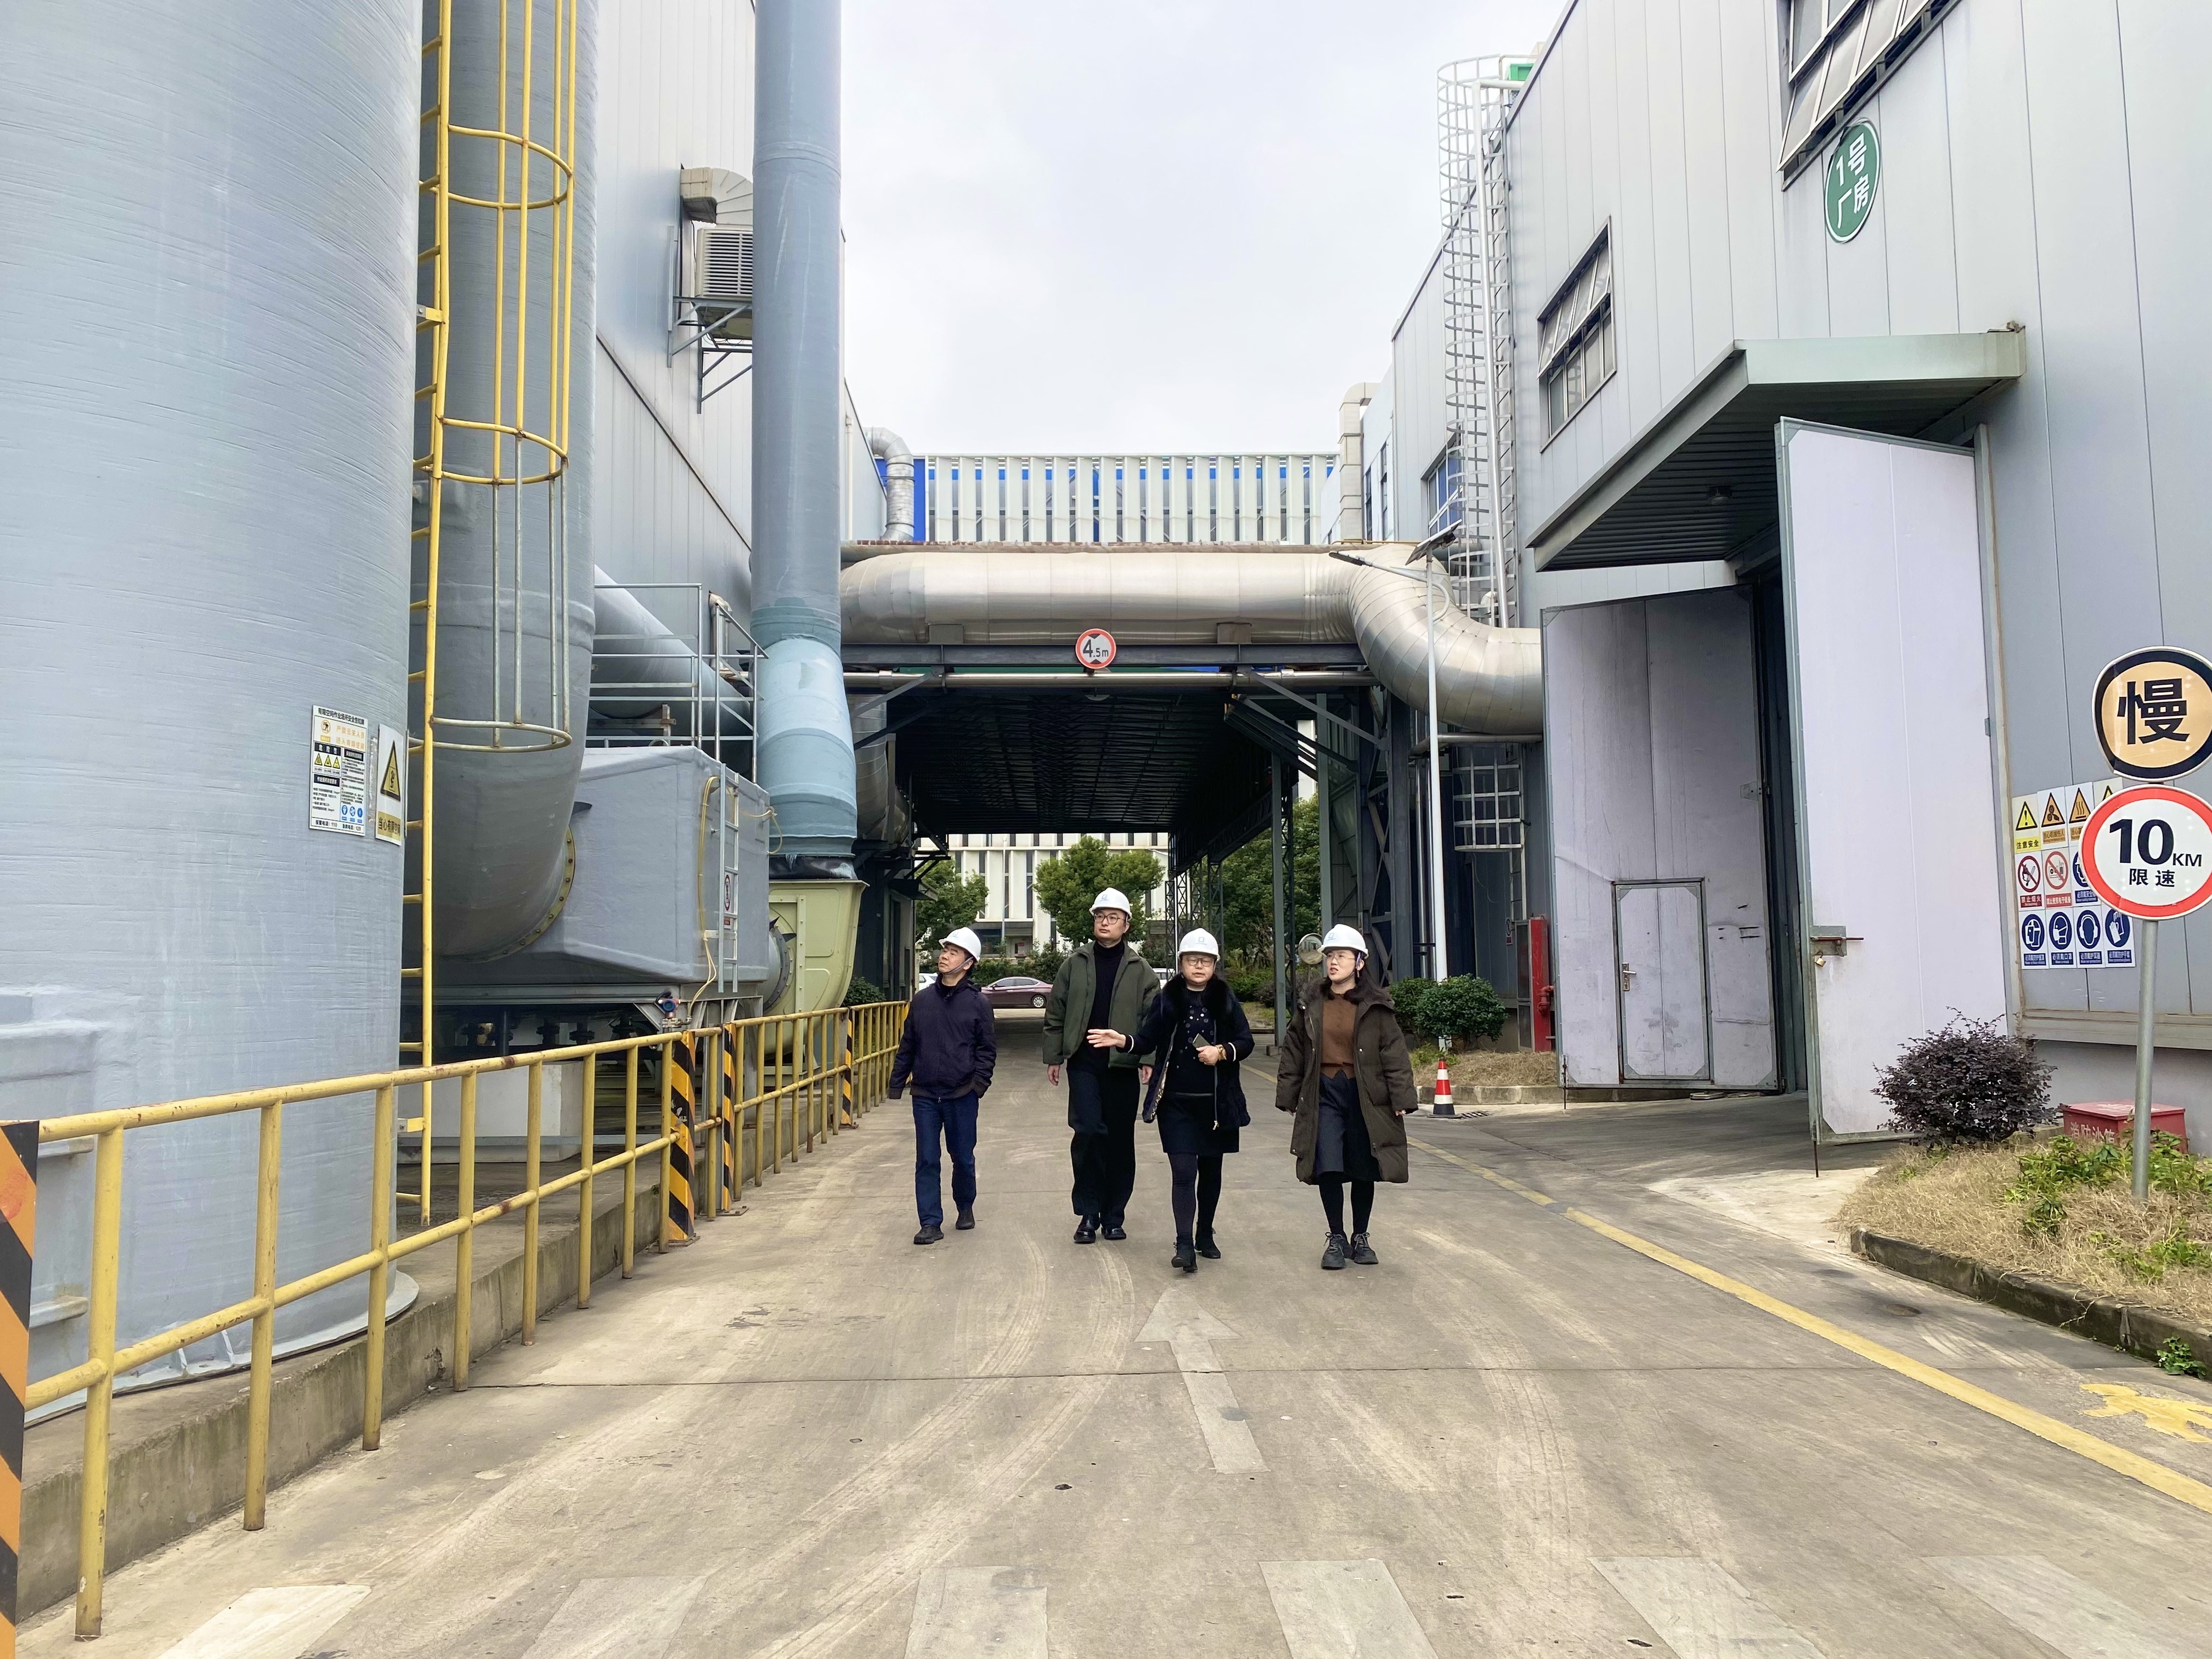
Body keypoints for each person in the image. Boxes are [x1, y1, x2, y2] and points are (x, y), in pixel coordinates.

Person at [1274, 923, 1415, 1269]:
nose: (1333, 962)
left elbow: (1394, 1054)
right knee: (1328, 1165)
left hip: (1365, 1094)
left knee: (1364, 1167)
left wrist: (1401, 1099)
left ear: (1360, 963)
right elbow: (1294, 1050)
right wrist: (1289, 1094)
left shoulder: (1376, 1006)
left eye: (1341, 956)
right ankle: (1336, 1237)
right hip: (1324, 1092)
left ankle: (1361, 1237)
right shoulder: (1311, 1004)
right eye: (1329, 956)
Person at [1120, 929, 1253, 1273]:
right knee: (1183, 1172)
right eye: (1193, 959)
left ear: (1214, 965)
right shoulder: (1166, 999)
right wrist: (1123, 1041)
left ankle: (1204, 1234)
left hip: (1216, 1104)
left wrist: (1222, 1052)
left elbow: (1246, 1041)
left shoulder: (1225, 997)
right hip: (1176, 1103)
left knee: (1211, 1172)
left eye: (1206, 960)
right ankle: (1183, 1244)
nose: (1199, 965)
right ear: (1181, 963)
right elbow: (1147, 1038)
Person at [1043, 887, 1158, 1244]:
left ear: (1126, 925)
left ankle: (1113, 1216)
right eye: (1100, 917)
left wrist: (1148, 1058)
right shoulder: (1075, 964)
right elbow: (1056, 1012)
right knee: (1089, 1132)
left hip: (1123, 1066)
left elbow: (1153, 1019)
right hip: (1084, 1064)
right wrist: (1055, 1056)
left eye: (1113, 917)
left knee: (1121, 1142)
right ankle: (1088, 1212)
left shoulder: (1141, 970)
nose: (1105, 922)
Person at [888, 927, 997, 1246]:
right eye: (945, 950)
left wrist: (978, 1085)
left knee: (962, 1157)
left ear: (968, 963)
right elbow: (908, 1043)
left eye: (953, 952)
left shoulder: (978, 1003)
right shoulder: (922, 1001)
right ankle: (930, 1222)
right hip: (924, 1094)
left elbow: (987, 1050)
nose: (945, 956)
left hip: (961, 1094)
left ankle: (965, 1206)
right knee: (927, 1159)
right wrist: (897, 1082)